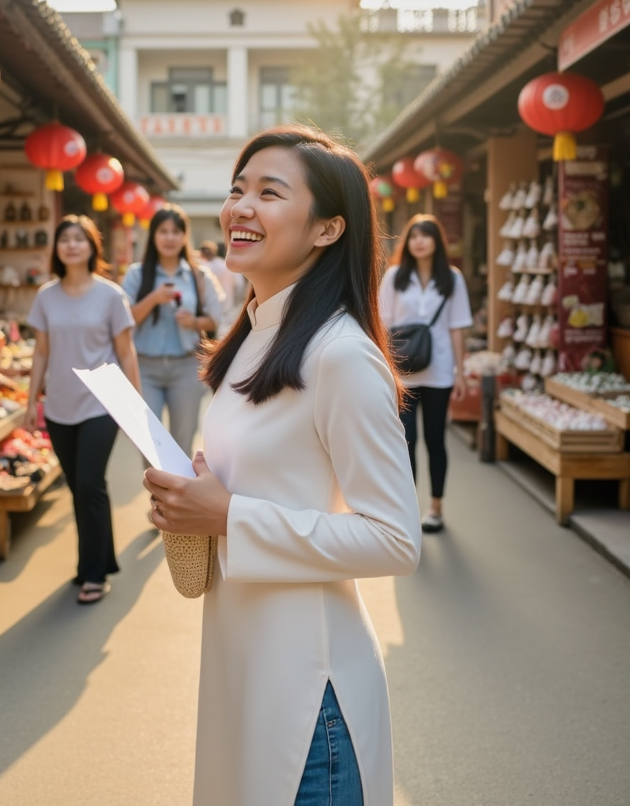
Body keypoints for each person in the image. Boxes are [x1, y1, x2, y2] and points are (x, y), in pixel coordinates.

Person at [144, 125, 421, 806]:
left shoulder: (340, 355)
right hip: (246, 664)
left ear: (328, 229)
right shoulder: (253, 339)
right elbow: (266, 481)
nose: (240, 207)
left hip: (309, 696)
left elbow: (395, 538)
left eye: (269, 192)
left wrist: (230, 514)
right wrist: (199, 495)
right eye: (238, 189)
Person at [25, 215, 141, 605]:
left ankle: (94, 574)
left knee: (90, 484)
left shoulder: (111, 295)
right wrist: (31, 401)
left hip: (100, 403)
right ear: (57, 248)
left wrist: (134, 407)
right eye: (65, 239)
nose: (72, 245)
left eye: (80, 239)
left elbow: (126, 352)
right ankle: (93, 561)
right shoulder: (46, 296)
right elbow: (41, 350)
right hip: (58, 405)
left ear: (93, 247)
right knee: (79, 489)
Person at [379, 214, 473, 534]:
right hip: (403, 372)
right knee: (405, 441)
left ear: (437, 242)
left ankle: (436, 508)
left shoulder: (452, 279)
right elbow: (382, 326)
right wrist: (383, 371)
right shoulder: (394, 277)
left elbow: (458, 327)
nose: (419, 241)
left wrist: (461, 372)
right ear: (407, 242)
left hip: (440, 370)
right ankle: (409, 509)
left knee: (435, 439)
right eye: (414, 236)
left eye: (426, 235)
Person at [121, 205, 223, 457]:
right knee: (149, 445)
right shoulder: (137, 274)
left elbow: (214, 320)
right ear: (153, 235)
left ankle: (177, 497)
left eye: (175, 232)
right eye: (163, 231)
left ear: (185, 236)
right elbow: (124, 320)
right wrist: (153, 299)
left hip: (186, 367)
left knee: (182, 444)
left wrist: (194, 322)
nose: (169, 237)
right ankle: (157, 497)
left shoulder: (199, 275)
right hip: (144, 369)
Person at [199, 239, 247, 337]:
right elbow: (239, 286)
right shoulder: (226, 266)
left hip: (208, 309)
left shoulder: (202, 267)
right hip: (228, 307)